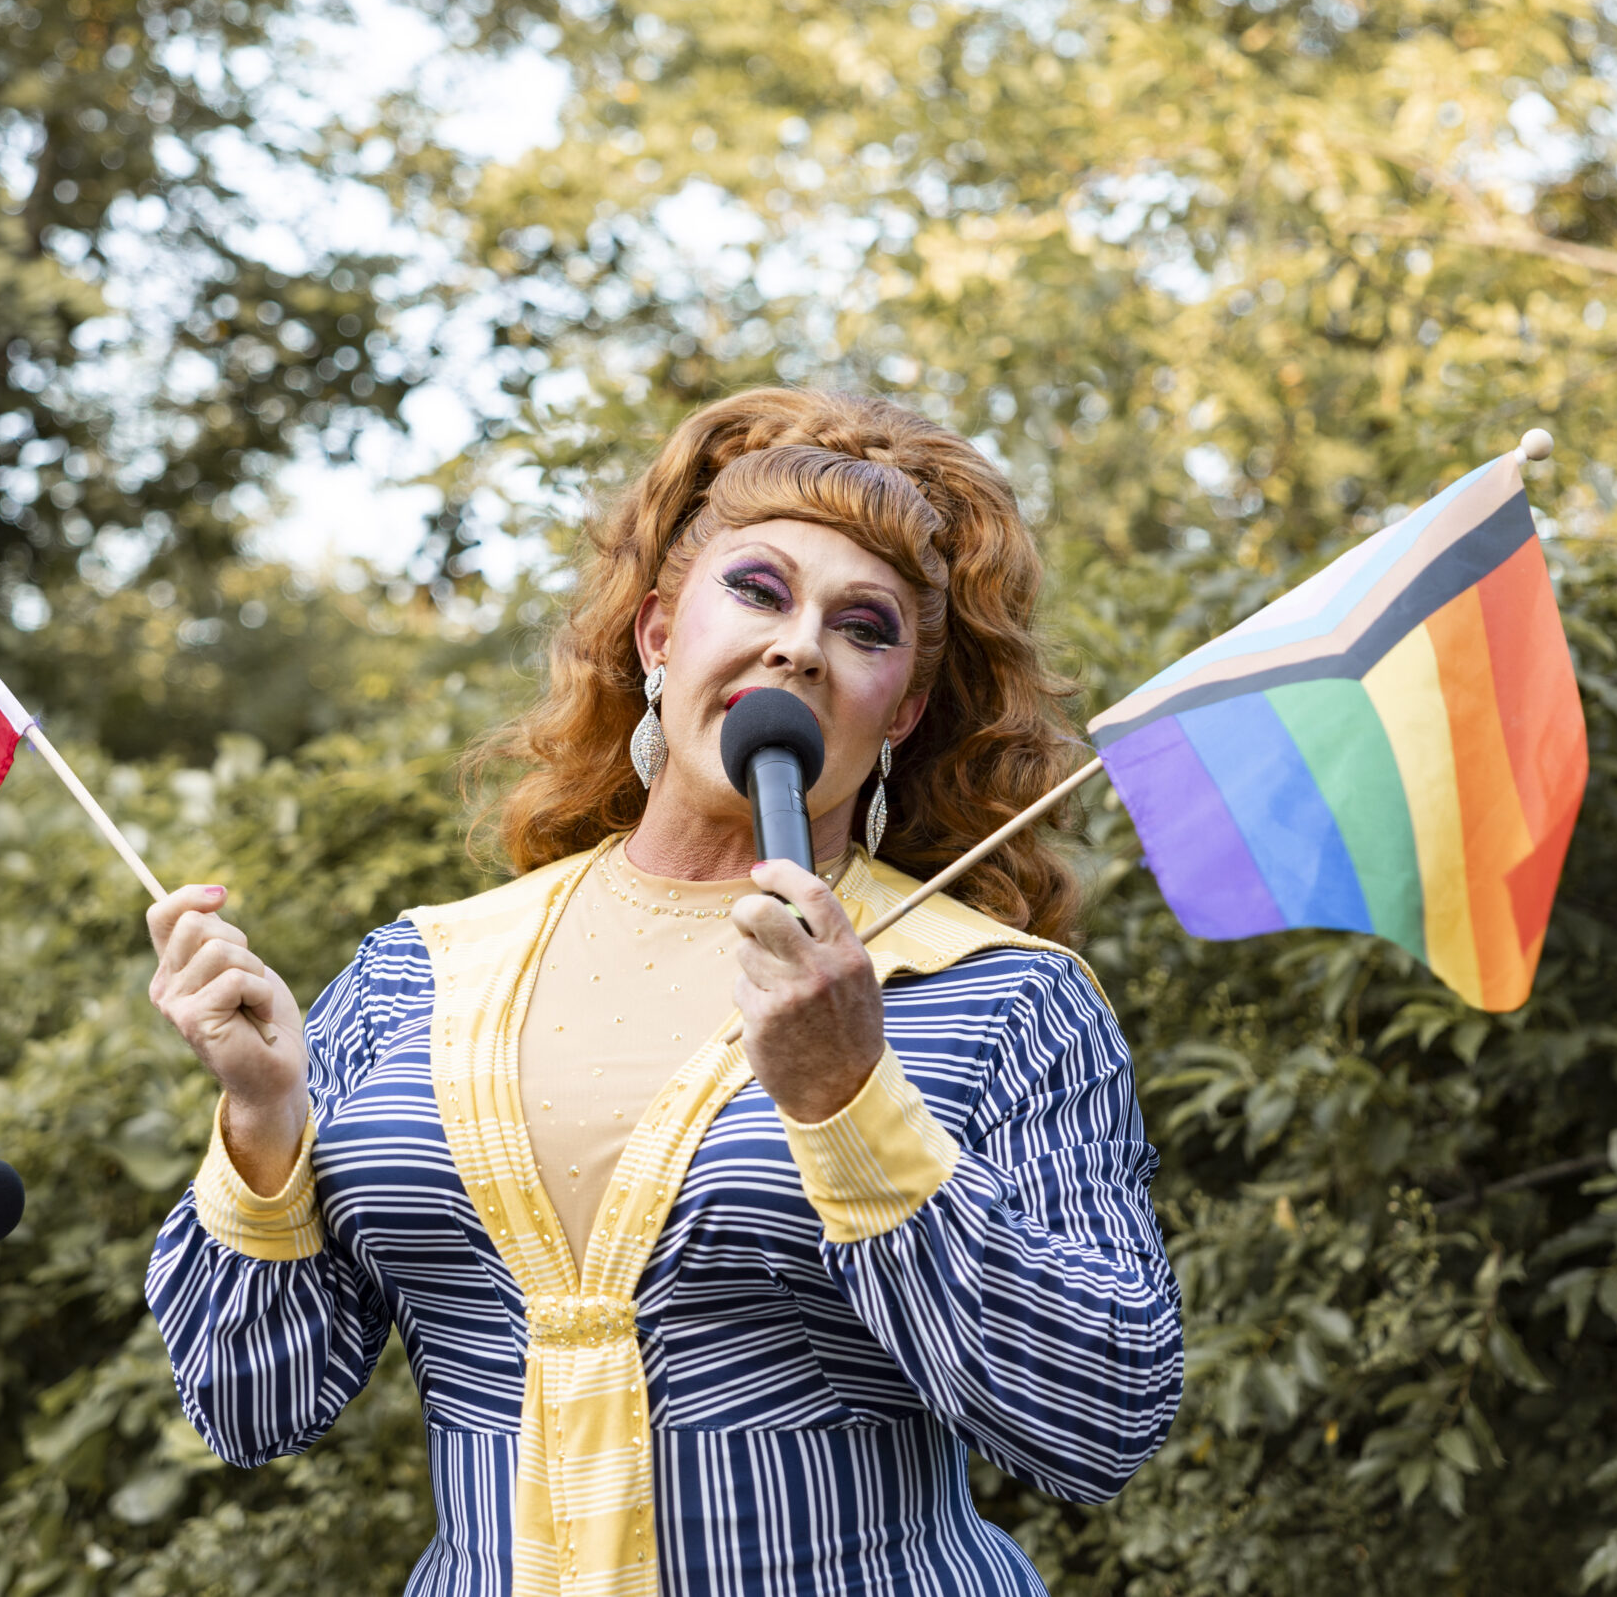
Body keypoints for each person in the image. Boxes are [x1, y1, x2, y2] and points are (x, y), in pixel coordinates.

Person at [143, 388, 1183, 1597]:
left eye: (864, 625)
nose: (799, 643)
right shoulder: (419, 970)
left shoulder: (1002, 1000)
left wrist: (854, 1104)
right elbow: (243, 1406)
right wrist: (265, 1119)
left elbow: (1102, 1416)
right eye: (756, 590)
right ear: (654, 635)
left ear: (897, 711)